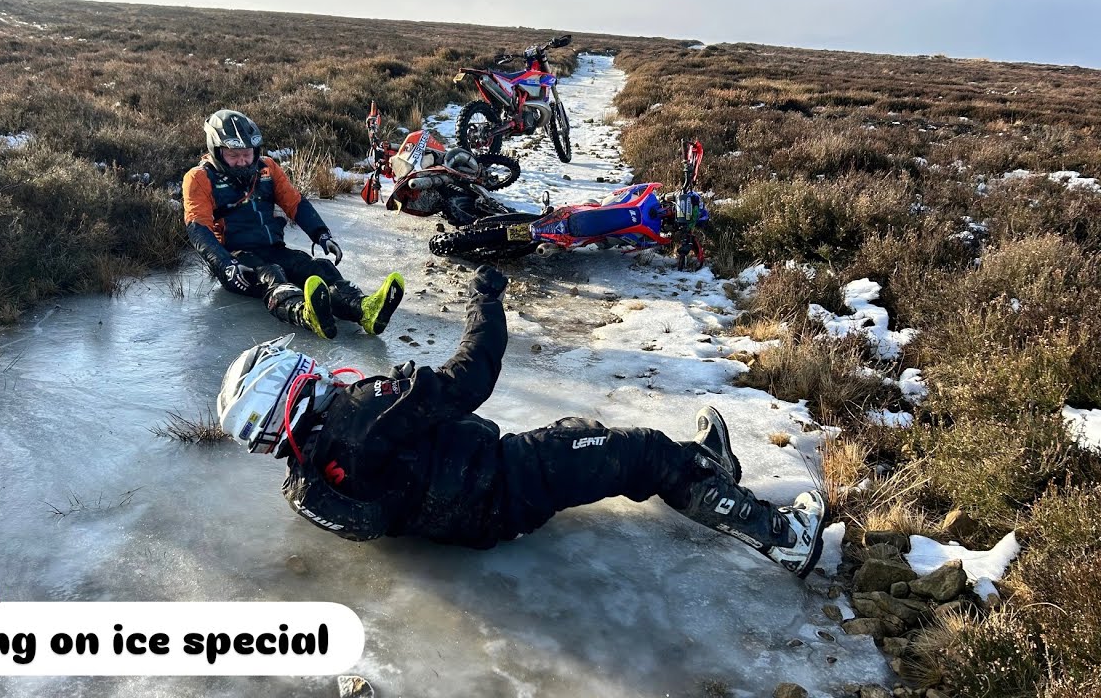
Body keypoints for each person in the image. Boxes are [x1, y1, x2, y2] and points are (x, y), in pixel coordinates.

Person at [215, 265, 827, 577]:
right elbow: (472, 375)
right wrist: (486, 300)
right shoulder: (363, 415)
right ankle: (782, 537)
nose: (314, 370)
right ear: (289, 393)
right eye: (298, 371)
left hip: (470, 518)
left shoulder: (307, 482)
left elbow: (375, 513)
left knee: (583, 433)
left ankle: (703, 467)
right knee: (639, 453)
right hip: (506, 482)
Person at [183, 109, 405, 339]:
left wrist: (321, 234)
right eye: (233, 155)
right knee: (272, 274)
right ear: (216, 151)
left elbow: (295, 202)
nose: (242, 161)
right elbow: (198, 227)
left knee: (319, 268)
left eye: (247, 154)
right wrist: (225, 264)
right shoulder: (199, 178)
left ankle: (365, 309)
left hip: (273, 249)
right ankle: (304, 313)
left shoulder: (267, 168)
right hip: (236, 260)